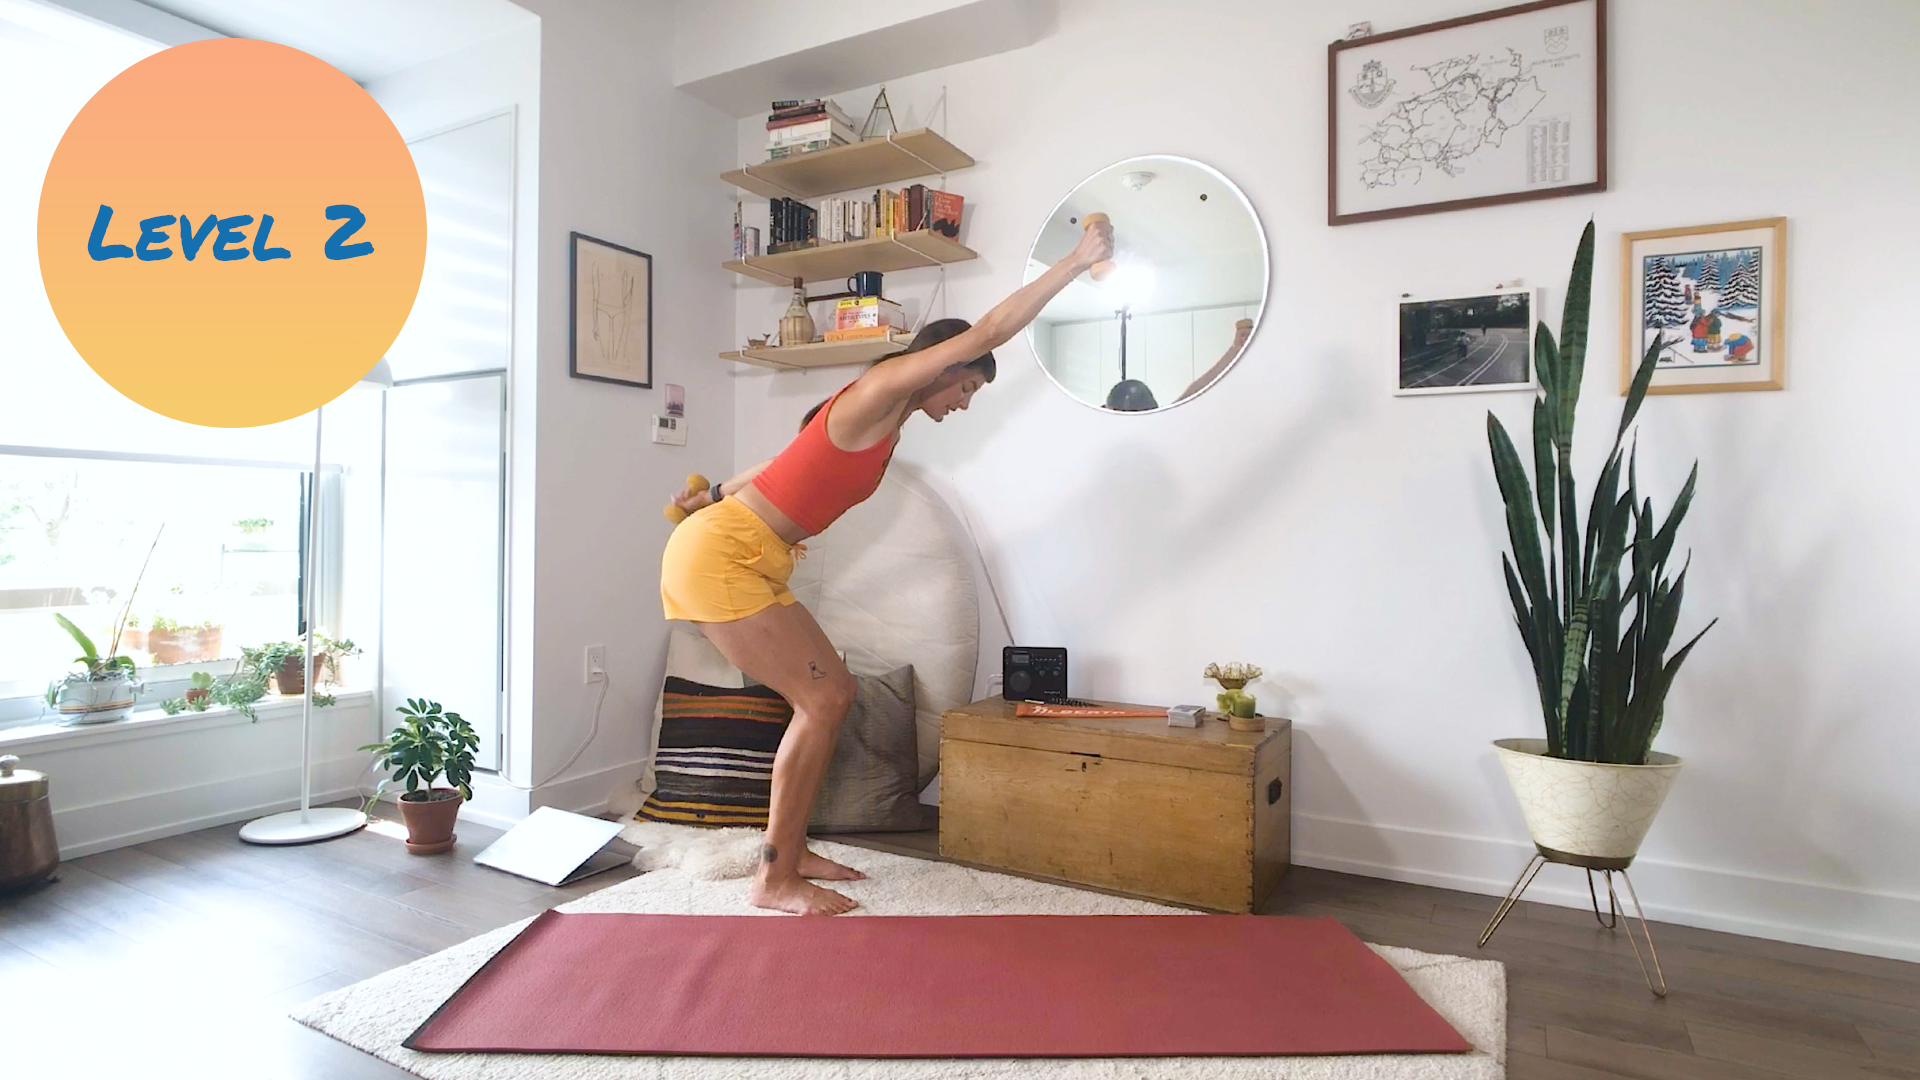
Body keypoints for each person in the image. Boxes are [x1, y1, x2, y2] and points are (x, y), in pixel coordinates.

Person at [660, 218, 1114, 916]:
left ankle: (790, 851)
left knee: (832, 695)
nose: (964, 403)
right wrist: (1076, 260)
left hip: (744, 552)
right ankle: (774, 878)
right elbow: (991, 328)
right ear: (945, 367)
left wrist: (712, 493)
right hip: (722, 557)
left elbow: (780, 465)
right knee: (823, 701)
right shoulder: (881, 388)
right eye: (967, 388)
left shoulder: (881, 422)